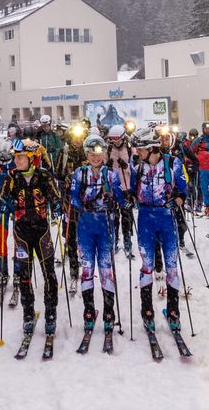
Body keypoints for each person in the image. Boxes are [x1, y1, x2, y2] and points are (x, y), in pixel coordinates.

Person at [0, 138, 63, 340]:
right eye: (15, 157)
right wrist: (2, 204)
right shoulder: (12, 177)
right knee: (24, 276)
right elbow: (2, 197)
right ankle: (28, 313)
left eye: (21, 157)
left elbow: (56, 196)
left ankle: (50, 314)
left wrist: (57, 205)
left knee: (49, 274)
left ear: (32, 158)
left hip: (41, 231)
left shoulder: (43, 176)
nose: (16, 161)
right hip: (22, 233)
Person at [130, 127, 189, 335]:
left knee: (171, 267)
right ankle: (147, 312)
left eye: (140, 149)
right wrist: (128, 198)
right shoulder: (137, 166)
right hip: (146, 218)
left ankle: (173, 312)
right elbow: (132, 190)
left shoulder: (173, 163)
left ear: (151, 147)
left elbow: (183, 188)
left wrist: (179, 198)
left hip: (166, 217)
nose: (137, 152)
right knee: (147, 266)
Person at [69, 134, 126, 334]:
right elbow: (73, 197)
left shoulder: (111, 174)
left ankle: (109, 313)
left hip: (105, 225)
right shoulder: (79, 173)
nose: (95, 157)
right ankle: (88, 311)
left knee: (105, 270)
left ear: (104, 154)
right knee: (87, 270)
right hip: (86, 225)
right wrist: (82, 205)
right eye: (91, 154)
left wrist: (118, 201)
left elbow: (120, 197)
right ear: (86, 155)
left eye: (98, 154)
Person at [103, 124, 135, 260]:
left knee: (126, 216)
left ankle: (127, 241)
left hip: (126, 187)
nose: (114, 142)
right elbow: (102, 165)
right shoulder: (109, 149)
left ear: (122, 138)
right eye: (112, 139)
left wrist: (126, 166)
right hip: (113, 187)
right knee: (113, 216)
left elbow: (135, 167)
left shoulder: (130, 149)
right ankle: (114, 240)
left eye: (116, 139)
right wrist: (108, 166)